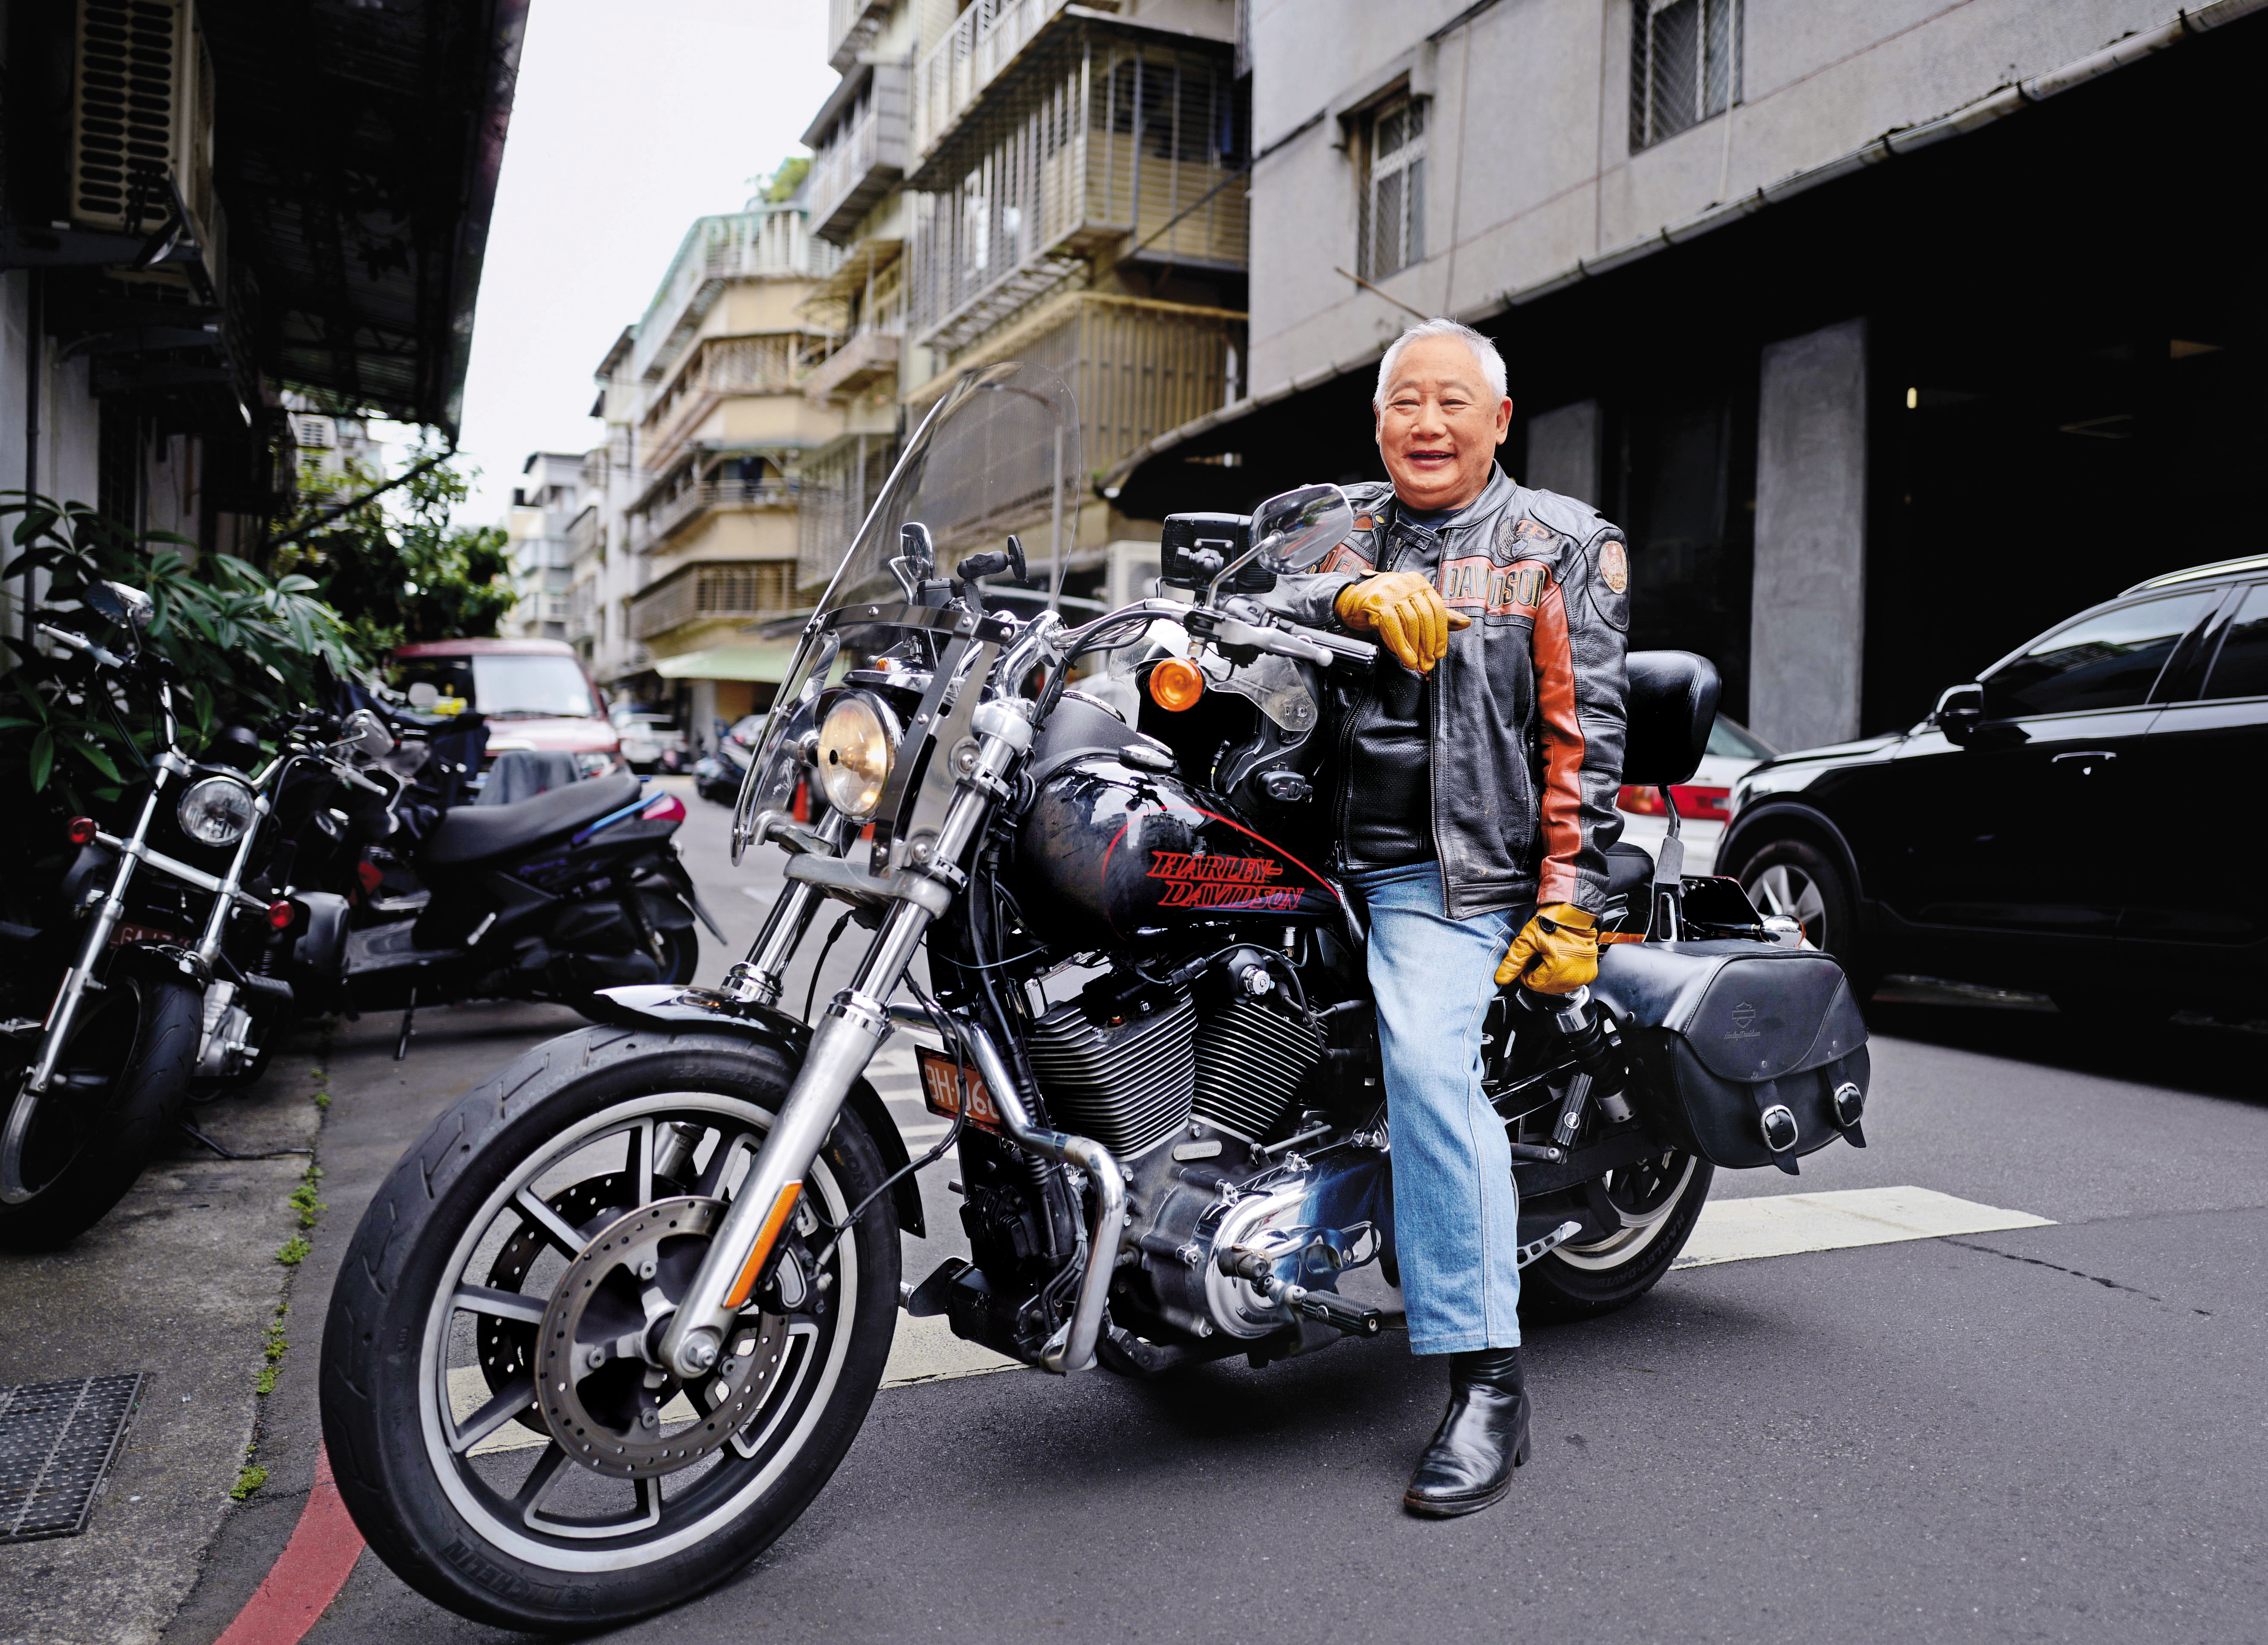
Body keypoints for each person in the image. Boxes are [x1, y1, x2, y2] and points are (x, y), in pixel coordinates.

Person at [1266, 318, 1630, 1517]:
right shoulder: (1336, 524)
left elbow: (1586, 736)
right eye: (1404, 403)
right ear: (1378, 424)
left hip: (1447, 871)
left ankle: (1487, 1380)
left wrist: (1570, 898)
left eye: (1450, 403)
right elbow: (1246, 578)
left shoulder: (1557, 543)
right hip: (1291, 854)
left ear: (1496, 423)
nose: (1426, 423)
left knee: (1428, 1066)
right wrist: (1348, 593)